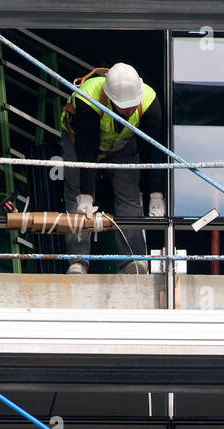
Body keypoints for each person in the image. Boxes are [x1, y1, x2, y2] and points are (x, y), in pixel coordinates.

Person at [59, 63, 166, 275]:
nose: (130, 110)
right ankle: (78, 261)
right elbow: (86, 151)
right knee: (77, 197)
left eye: (133, 105)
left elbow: (154, 150)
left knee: (129, 195)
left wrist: (156, 193)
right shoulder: (88, 96)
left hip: (122, 143)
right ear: (109, 99)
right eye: (124, 106)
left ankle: (134, 260)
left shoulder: (148, 100)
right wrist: (87, 194)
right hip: (79, 142)